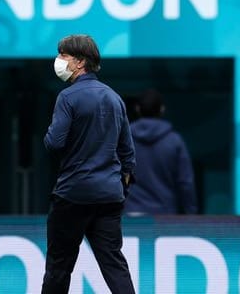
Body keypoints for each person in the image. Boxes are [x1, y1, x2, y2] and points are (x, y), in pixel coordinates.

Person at [42, 34, 136, 294]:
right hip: (108, 196)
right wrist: (119, 189)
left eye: (64, 56)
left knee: (59, 267)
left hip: (73, 195)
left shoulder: (67, 98)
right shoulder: (115, 98)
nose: (59, 60)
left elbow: (54, 143)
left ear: (80, 62)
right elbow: (128, 154)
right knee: (114, 265)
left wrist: (49, 133)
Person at [124, 89, 197, 215]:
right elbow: (185, 183)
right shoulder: (175, 141)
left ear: (137, 109)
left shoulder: (123, 140)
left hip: (130, 214)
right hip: (165, 216)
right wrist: (191, 214)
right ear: (162, 109)